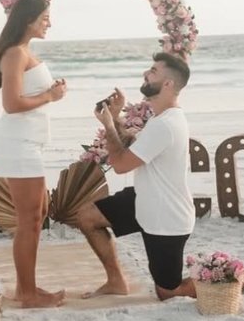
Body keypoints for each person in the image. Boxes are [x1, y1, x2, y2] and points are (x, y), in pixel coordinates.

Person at [74, 52, 198, 300]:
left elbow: (120, 165)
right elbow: (133, 147)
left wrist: (109, 125)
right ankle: (116, 281)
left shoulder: (165, 124)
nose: (146, 73)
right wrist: (118, 117)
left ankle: (230, 275)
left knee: (168, 291)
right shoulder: (162, 118)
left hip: (166, 216)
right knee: (88, 217)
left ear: (168, 84)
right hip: (145, 200)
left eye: (153, 71)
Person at [0, 0, 67, 308]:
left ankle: (27, 288)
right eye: (45, 17)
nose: (49, 22)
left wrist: (51, 92)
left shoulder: (24, 52)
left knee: (38, 214)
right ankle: (27, 292)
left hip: (29, 142)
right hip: (18, 144)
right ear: (29, 20)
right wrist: (50, 96)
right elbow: (11, 104)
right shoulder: (15, 54)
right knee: (30, 220)